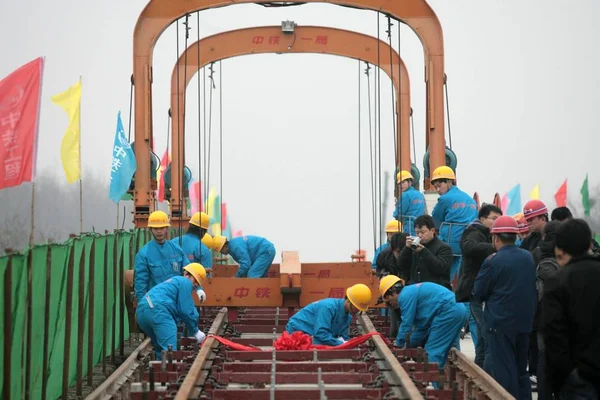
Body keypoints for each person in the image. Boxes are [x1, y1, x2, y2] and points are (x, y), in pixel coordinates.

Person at [473, 215, 537, 399]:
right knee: (521, 371)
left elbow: (478, 292)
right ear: (515, 236)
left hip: (500, 324)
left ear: (495, 238)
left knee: (505, 373)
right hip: (525, 323)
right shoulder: (528, 257)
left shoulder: (493, 261)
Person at [543, 219, 600, 398]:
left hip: (579, 379)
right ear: (589, 244)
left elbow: (554, 337)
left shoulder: (557, 282)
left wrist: (564, 377)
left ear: (559, 249)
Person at [378, 274, 468, 368]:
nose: (391, 303)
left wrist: (398, 345)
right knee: (443, 351)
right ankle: (440, 375)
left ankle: (433, 381)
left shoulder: (405, 296)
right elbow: (421, 329)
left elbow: (406, 325)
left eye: (388, 300)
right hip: (458, 310)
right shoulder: (412, 292)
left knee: (433, 351)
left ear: (392, 291)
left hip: (448, 312)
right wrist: (409, 345)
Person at [454, 203, 502, 368]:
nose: (497, 222)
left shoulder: (486, 234)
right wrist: (494, 248)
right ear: (482, 219)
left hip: (482, 290)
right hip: (477, 290)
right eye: (494, 219)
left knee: (482, 334)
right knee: (485, 332)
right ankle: (487, 371)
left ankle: (481, 367)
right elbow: (468, 247)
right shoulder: (474, 232)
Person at [136, 262, 208, 359]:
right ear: (187, 274)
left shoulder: (174, 282)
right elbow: (186, 310)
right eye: (196, 282)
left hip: (141, 312)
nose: (194, 285)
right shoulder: (185, 282)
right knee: (170, 350)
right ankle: (168, 369)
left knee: (160, 347)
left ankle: (160, 370)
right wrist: (195, 331)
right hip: (157, 311)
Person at [430, 166, 478, 285]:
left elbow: (435, 219)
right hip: (466, 243)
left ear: (449, 182)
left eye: (439, 186)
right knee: (462, 279)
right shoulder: (470, 200)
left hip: (449, 241)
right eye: (436, 187)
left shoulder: (444, 199)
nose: (437, 190)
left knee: (438, 275)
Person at [285, 283, 372, 346]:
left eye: (359, 309)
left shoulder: (347, 317)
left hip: (314, 333)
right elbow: (321, 333)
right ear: (348, 300)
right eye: (356, 307)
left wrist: (349, 343)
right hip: (298, 330)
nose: (356, 311)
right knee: (321, 343)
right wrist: (340, 343)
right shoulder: (328, 307)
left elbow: (344, 338)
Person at [134, 211, 189, 302]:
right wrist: (142, 304)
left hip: (176, 300)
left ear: (167, 229)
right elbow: (140, 283)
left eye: (162, 228)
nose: (159, 231)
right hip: (156, 302)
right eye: (156, 228)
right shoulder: (144, 254)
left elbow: (188, 272)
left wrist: (198, 288)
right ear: (150, 229)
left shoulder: (177, 250)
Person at [533, 220, 561, 400]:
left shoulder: (536, 252)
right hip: (560, 316)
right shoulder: (563, 255)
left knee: (543, 358)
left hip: (541, 315)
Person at [398, 214, 453, 289]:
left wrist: (423, 251)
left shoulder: (444, 248)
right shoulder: (414, 246)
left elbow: (440, 268)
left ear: (432, 230)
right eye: (417, 233)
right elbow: (401, 265)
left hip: (436, 290)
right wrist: (406, 248)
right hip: (416, 288)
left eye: (423, 232)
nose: (420, 235)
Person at [211, 235, 276, 278]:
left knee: (252, 275)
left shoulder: (236, 248)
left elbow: (246, 264)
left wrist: (236, 277)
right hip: (265, 250)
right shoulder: (232, 246)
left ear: (224, 246)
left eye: (221, 251)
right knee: (260, 276)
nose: (221, 253)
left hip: (265, 251)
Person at [393, 170, 426, 235]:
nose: (401, 185)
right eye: (399, 183)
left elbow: (399, 213)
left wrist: (395, 215)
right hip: (421, 227)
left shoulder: (405, 195)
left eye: (403, 182)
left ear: (410, 182)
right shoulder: (420, 194)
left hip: (409, 227)